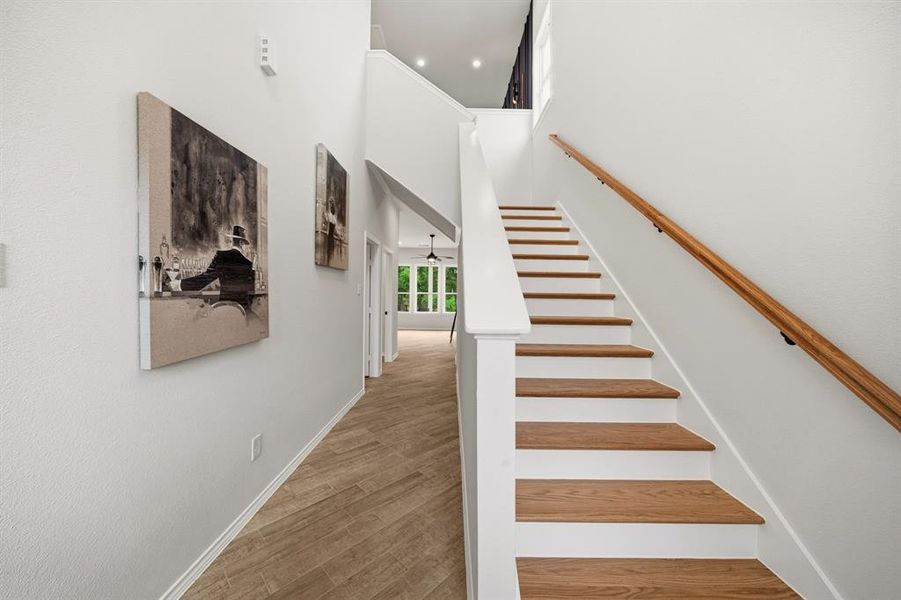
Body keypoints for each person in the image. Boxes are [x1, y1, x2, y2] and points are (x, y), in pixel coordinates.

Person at [180, 225, 254, 307]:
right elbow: (250, 289)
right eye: (245, 244)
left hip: (225, 307)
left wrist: (181, 284)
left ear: (233, 241)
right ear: (241, 243)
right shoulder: (248, 264)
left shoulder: (221, 256)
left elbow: (205, 278)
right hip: (242, 309)